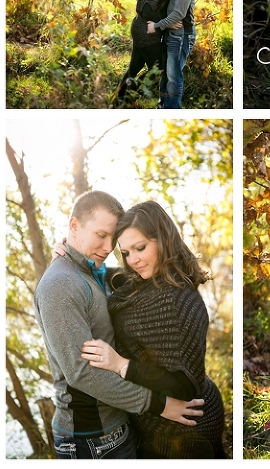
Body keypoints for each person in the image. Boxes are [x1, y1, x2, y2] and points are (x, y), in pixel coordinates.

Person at [34, 191, 204, 460]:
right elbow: (81, 373)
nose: (107, 248)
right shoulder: (61, 284)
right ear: (74, 226)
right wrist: (158, 404)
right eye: (100, 235)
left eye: (113, 241)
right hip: (92, 439)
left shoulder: (94, 272)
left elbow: (126, 277)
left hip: (117, 427)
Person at [76, 201, 227, 458]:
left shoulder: (178, 301)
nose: (133, 260)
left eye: (140, 248)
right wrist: (72, 257)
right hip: (159, 424)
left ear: (163, 239)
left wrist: (120, 364)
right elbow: (110, 275)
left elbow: (184, 386)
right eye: (125, 252)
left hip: (186, 428)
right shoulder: (146, 281)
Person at [115, 0, 172, 107]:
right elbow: (146, 11)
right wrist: (166, 23)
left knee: (134, 68)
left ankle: (119, 100)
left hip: (141, 27)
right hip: (146, 30)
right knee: (159, 66)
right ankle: (130, 94)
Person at [147, 0, 196, 109]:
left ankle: (172, 109)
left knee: (174, 77)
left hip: (181, 36)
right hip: (173, 34)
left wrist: (157, 26)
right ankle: (163, 105)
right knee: (166, 74)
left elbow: (178, 14)